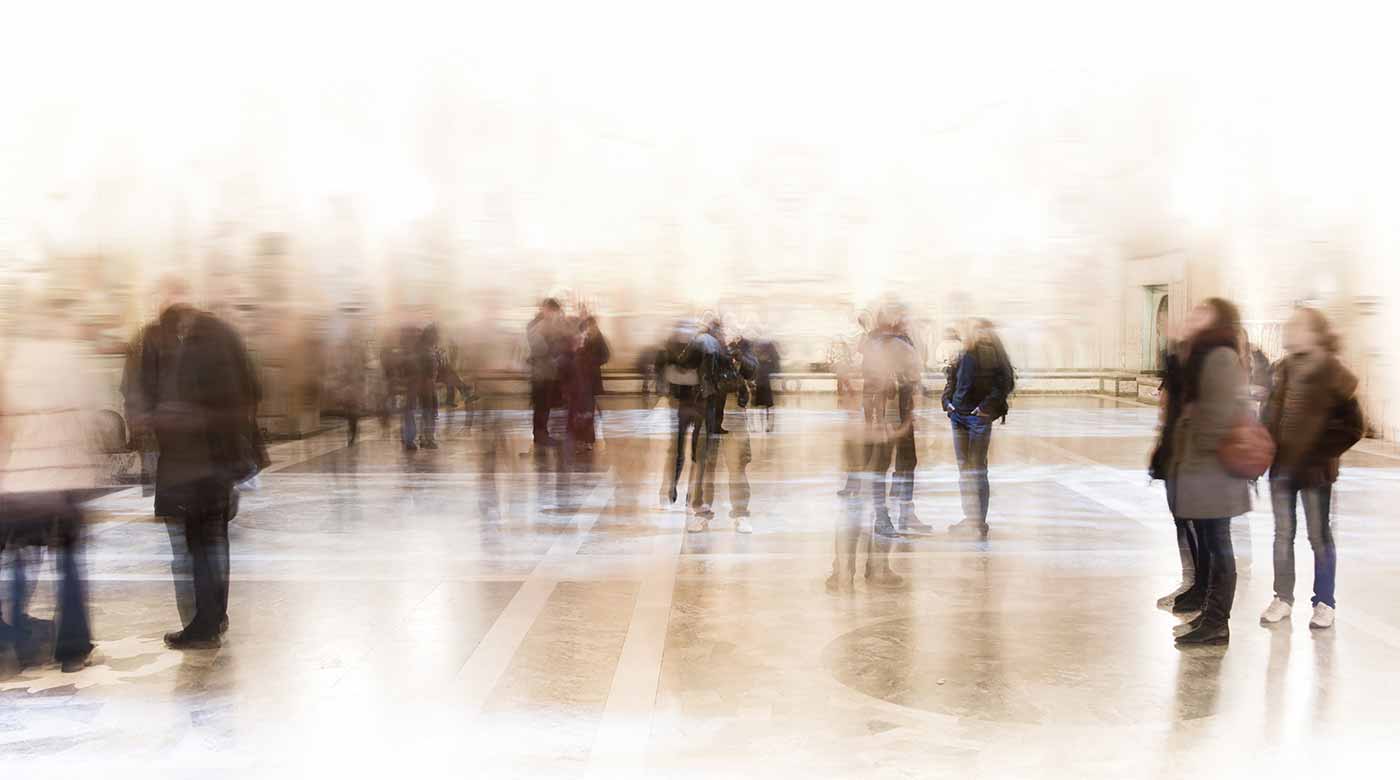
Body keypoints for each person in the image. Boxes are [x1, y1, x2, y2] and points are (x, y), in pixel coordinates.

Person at [125, 276, 267, 650]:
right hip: (218, 461)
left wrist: (161, 423)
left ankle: (202, 623)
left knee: (192, 545)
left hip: (190, 463)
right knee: (213, 541)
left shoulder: (158, 338)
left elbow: (142, 399)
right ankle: (212, 617)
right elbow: (255, 388)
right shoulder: (224, 334)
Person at [0, 285, 99, 672]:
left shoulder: (16, 359)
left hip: (22, 479)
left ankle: (18, 641)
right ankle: (72, 648)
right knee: (70, 562)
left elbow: (5, 419)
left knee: (21, 559)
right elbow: (93, 418)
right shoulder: (73, 356)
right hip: (64, 478)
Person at [1258, 307, 1364, 630]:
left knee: (1319, 537)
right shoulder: (1282, 369)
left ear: (1315, 333)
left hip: (1315, 472)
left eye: (1296, 325)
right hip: (1282, 468)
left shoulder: (1335, 374)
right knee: (1282, 536)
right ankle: (1283, 598)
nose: (1289, 330)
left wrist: (1321, 452)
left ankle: (1325, 601)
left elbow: (1354, 426)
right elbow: (1269, 415)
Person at [1168, 298, 1251, 646]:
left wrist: (1190, 436)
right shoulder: (1205, 355)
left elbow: (1215, 418)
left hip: (1213, 470)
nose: (1193, 316)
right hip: (1204, 469)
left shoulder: (1219, 358)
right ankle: (1210, 613)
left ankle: (1217, 622)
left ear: (1217, 320)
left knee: (1219, 546)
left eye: (1201, 312)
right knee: (1211, 543)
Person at [861, 304, 929, 537]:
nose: (904, 322)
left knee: (907, 463)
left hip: (902, 413)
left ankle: (906, 513)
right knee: (881, 465)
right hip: (885, 414)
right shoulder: (876, 345)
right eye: (900, 318)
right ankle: (881, 517)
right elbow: (871, 382)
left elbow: (915, 375)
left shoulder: (905, 343)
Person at [943, 318, 1014, 539]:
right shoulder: (963, 353)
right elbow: (951, 381)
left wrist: (984, 408)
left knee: (977, 469)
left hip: (976, 418)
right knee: (965, 469)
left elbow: (1005, 383)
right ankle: (970, 518)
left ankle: (978, 522)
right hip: (958, 416)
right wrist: (947, 403)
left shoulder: (992, 354)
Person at [1150, 337, 1203, 614]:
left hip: (1189, 462)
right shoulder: (1174, 380)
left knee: (1192, 524)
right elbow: (1165, 420)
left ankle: (1197, 584)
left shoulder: (1195, 384)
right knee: (1182, 522)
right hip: (1174, 460)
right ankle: (1190, 580)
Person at [687, 335, 759, 534]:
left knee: (737, 468)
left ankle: (741, 514)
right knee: (705, 468)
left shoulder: (742, 345)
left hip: (733, 416)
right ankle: (701, 514)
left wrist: (739, 356)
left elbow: (752, 368)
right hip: (708, 415)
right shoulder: (704, 344)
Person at [565, 316, 610, 451]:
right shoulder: (579, 338)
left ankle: (587, 440)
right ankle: (578, 439)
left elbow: (605, 356)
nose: (589, 329)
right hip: (579, 380)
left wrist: (590, 360)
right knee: (578, 410)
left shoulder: (598, 339)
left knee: (587, 411)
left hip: (589, 380)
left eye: (591, 326)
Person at [526, 299, 566, 448]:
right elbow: (538, 349)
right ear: (545, 309)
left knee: (545, 406)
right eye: (552, 311)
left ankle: (543, 434)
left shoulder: (551, 325)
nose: (554, 315)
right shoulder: (535, 325)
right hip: (540, 374)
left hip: (548, 373)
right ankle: (540, 435)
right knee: (541, 406)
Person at [752, 336, 781, 433]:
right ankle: (767, 425)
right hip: (765, 381)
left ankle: (765, 425)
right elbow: (776, 365)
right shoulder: (769, 359)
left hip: (762, 381)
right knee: (767, 404)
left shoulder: (760, 359)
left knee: (763, 404)